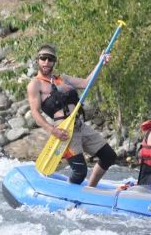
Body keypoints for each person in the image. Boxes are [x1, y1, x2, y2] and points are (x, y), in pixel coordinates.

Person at [26, 44, 116, 187]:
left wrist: (100, 63)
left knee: (109, 156)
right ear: (38, 60)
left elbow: (87, 83)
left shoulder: (63, 79)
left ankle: (90, 189)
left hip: (79, 125)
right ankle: (68, 200)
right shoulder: (34, 85)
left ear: (54, 61)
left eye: (50, 59)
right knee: (80, 172)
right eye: (43, 58)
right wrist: (52, 131)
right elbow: (35, 112)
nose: (46, 62)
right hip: (63, 131)